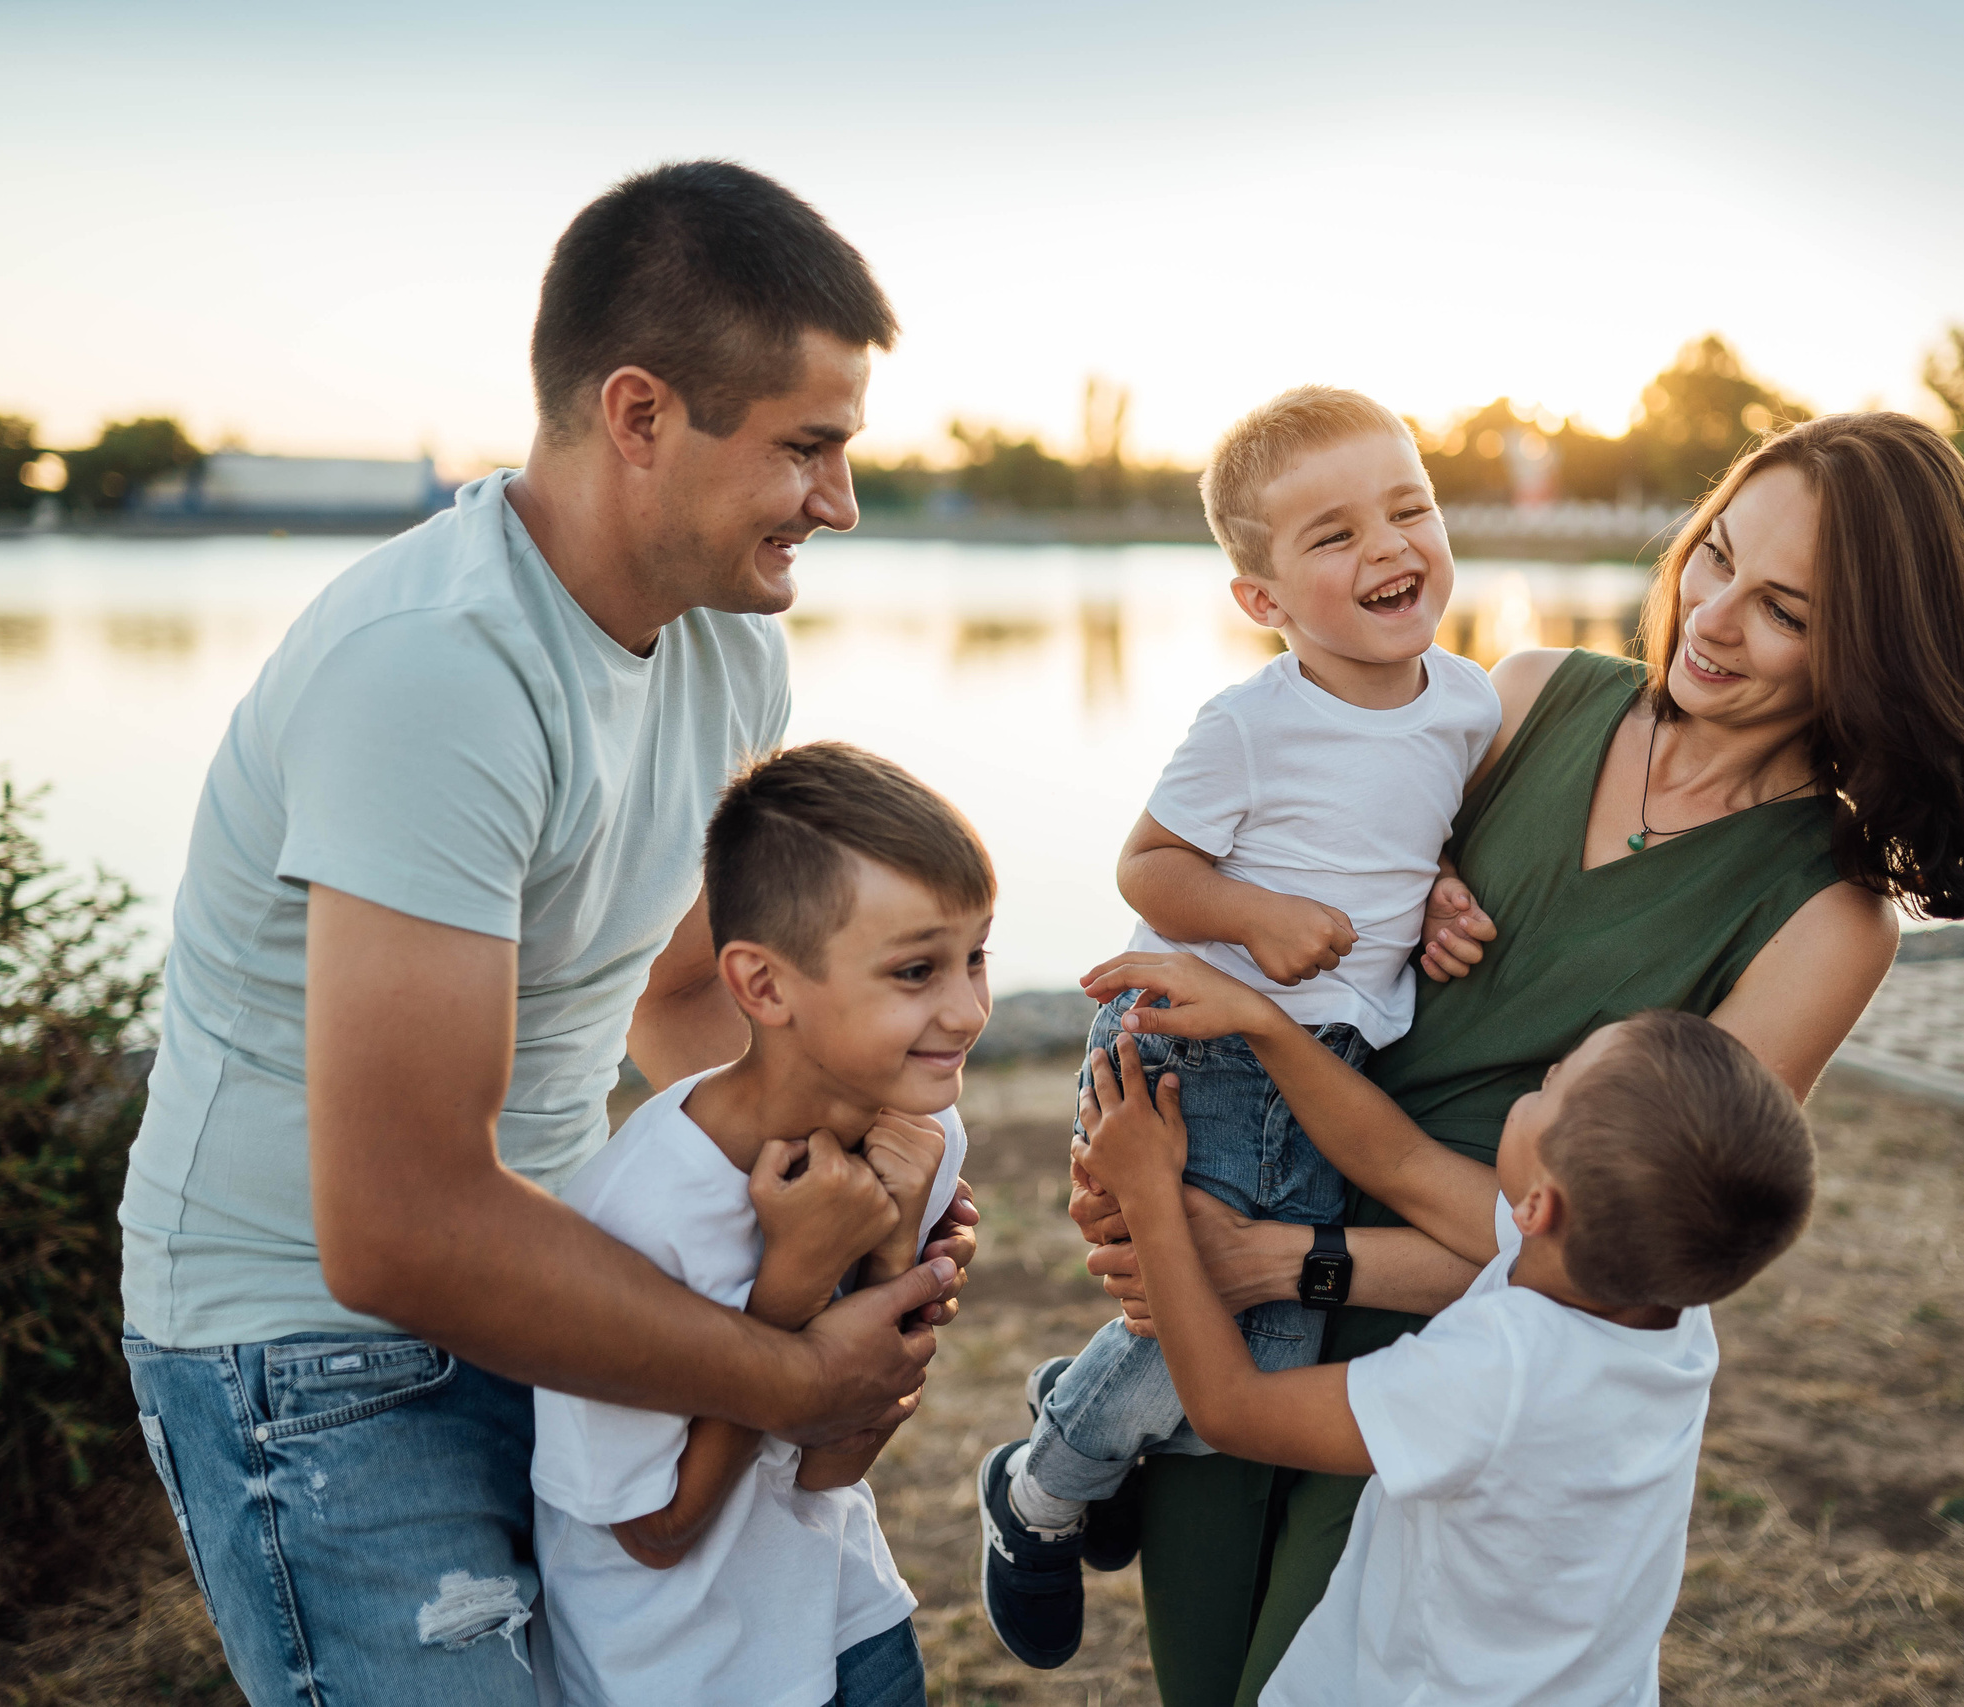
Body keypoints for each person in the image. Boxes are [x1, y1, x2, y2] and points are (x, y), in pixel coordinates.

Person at [115, 163, 977, 1707]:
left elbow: (682, 993)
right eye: (807, 448)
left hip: (567, 1260)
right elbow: (395, 1223)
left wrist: (844, 1195)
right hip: (311, 1344)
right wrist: (789, 1370)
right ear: (639, 414)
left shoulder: (723, 647)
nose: (838, 501)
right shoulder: (435, 672)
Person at [1070, 412, 1964, 1704]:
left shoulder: (1832, 917)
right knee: (1196, 1678)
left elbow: (1632, 1240)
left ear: (1875, 653)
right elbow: (1291, 884)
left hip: (1450, 1353)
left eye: (1786, 610)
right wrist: (1155, 1178)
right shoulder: (1520, 699)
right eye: (1716, 557)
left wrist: (1299, 1257)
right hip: (1238, 1243)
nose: (1714, 616)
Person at [975, 387, 1499, 1669]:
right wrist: (1253, 914)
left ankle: (1086, 1428)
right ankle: (1038, 1489)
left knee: (1254, 1332)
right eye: (1332, 537)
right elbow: (1150, 867)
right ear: (1260, 601)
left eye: (1408, 509)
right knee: (1224, 1324)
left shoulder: (1468, 706)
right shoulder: (1252, 724)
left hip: (1321, 1065)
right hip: (1204, 1047)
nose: (1386, 547)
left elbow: (1408, 844)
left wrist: (1436, 896)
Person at [1075, 1008, 1813, 1706]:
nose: (1546, 1073)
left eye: (1550, 1087)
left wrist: (1150, 1197)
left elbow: (1234, 1408)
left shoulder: (1497, 1372)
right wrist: (1262, 1021)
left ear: (1538, 1208)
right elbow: (1396, 1158)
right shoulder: (1670, 1309)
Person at [533, 744, 990, 1707]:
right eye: (917, 970)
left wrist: (893, 1256)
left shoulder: (920, 1133)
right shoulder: (632, 1221)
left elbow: (832, 1460)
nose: (967, 1009)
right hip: (673, 1674)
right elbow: (656, 1534)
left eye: (976, 956)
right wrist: (791, 1279)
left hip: (848, 1623)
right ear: (765, 986)